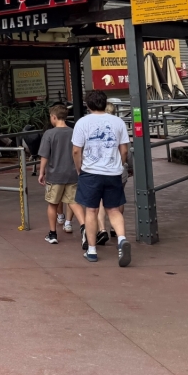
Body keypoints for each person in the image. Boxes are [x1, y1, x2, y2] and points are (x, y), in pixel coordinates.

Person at [72, 90, 132, 266]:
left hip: (90, 172)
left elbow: (76, 150)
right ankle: (121, 240)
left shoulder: (82, 122)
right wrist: (119, 165)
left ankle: (92, 250)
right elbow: (125, 149)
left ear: (88, 105)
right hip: (113, 172)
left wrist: (79, 168)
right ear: (104, 104)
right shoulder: (118, 122)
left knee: (91, 210)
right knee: (113, 209)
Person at [38, 104, 82, 244]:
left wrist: (41, 172)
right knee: (74, 202)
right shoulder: (74, 132)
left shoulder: (49, 134)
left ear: (54, 117)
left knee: (52, 203)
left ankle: (52, 234)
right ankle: (84, 227)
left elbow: (44, 155)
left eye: (51, 117)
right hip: (72, 173)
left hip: (55, 174)